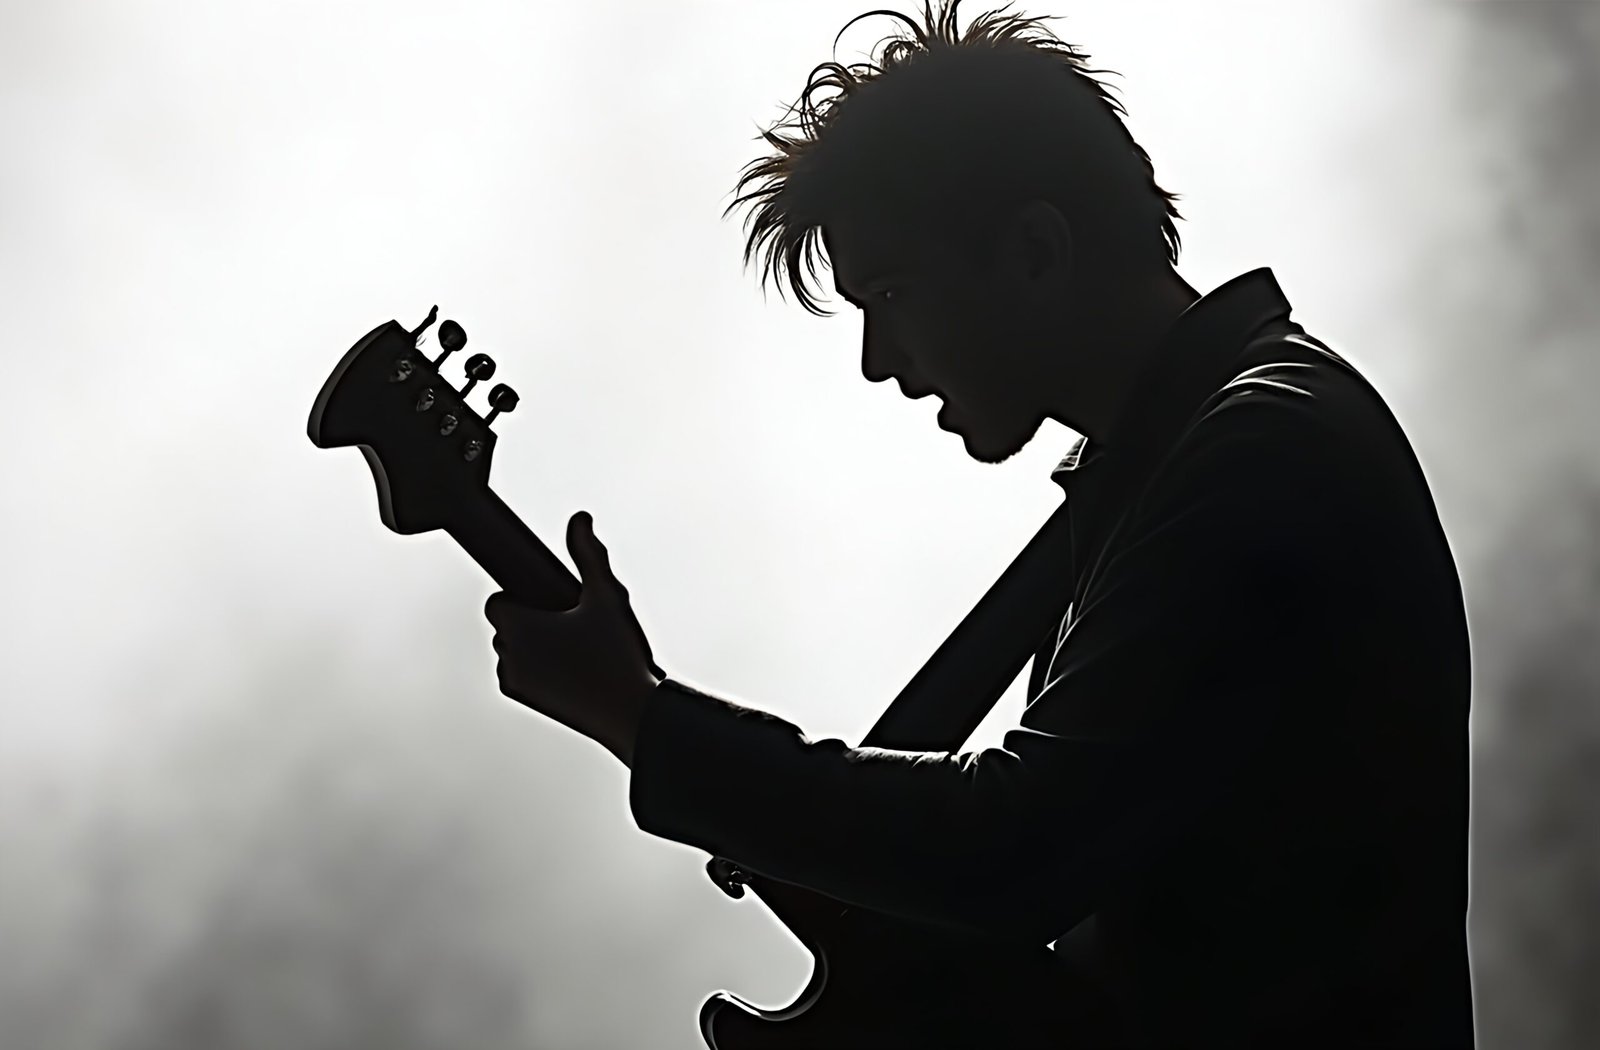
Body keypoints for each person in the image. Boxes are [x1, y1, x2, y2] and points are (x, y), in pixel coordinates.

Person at [483, 2, 1476, 1045]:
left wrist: (639, 717)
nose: (878, 361)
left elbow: (1019, 848)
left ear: (1036, 250)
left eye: (893, 294)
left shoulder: (1256, 455)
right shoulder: (1184, 460)